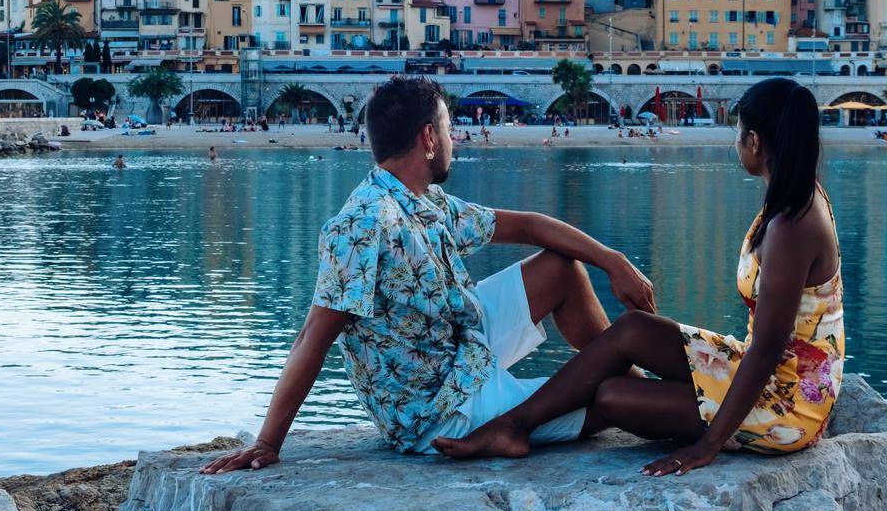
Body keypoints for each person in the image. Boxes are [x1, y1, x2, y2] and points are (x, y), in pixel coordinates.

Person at [201, 76, 654, 476]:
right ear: (429, 138)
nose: (457, 139)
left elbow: (530, 225)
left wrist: (612, 259)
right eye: (449, 129)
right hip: (439, 408)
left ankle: (634, 372)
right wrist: (268, 442)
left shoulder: (424, 200)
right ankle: (632, 389)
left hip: (456, 345)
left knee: (561, 267)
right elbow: (311, 340)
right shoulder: (363, 223)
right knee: (609, 398)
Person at [434, 79, 844, 474]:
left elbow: (769, 348)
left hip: (786, 404)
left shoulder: (793, 225)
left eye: (738, 134)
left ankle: (512, 426)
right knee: (632, 328)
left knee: (612, 397)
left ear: (755, 142)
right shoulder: (795, 198)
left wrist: (709, 444)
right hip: (763, 370)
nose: (734, 143)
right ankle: (513, 426)